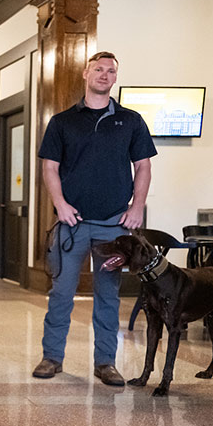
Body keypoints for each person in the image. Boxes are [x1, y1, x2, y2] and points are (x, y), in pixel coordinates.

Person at [33, 51, 155, 386]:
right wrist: (59, 204)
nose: (104, 74)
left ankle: (106, 363)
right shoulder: (62, 122)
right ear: (86, 73)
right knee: (61, 293)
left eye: (110, 71)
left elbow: (143, 165)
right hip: (72, 225)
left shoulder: (130, 121)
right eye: (98, 69)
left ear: (115, 78)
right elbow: (50, 167)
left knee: (107, 295)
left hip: (115, 226)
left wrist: (137, 206)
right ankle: (51, 357)